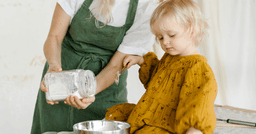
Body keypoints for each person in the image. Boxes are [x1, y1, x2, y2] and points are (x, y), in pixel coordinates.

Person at [31, 0, 158, 133]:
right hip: (62, 79)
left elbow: (115, 66)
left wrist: (88, 92)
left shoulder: (147, 9)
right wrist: (54, 66)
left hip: (106, 90)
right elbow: (54, 37)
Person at [105, 0, 218, 134]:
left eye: (171, 35)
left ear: (191, 30)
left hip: (167, 126)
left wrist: (194, 131)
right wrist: (140, 60)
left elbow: (199, 104)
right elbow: (158, 83)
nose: (165, 42)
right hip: (154, 116)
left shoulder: (197, 68)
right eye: (160, 38)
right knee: (115, 116)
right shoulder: (170, 57)